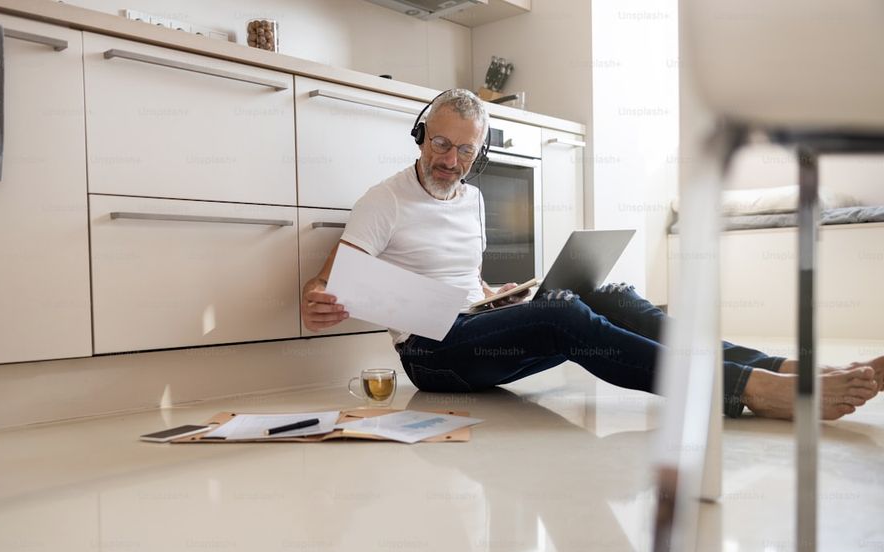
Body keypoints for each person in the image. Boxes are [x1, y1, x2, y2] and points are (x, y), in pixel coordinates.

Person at [301, 89, 883, 420]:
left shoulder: (472, 198)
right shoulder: (384, 200)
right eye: (441, 143)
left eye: (465, 150)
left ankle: (775, 365)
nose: (450, 159)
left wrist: (494, 295)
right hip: (434, 357)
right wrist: (320, 301)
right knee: (562, 316)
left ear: (478, 154)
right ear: (421, 136)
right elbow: (328, 284)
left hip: (475, 325)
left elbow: (462, 278)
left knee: (608, 294)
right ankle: (748, 389)